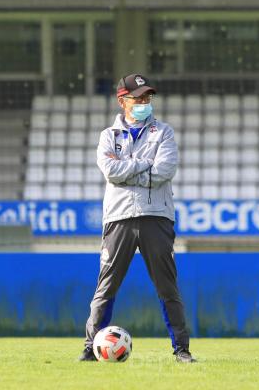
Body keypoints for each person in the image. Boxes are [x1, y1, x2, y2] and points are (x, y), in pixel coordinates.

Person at [78, 73, 195, 363]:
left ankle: (181, 350)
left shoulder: (163, 132)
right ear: (122, 101)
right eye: (138, 98)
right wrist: (144, 167)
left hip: (156, 217)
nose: (144, 102)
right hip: (118, 218)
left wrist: (128, 170)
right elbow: (110, 171)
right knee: (106, 287)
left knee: (167, 287)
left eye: (147, 97)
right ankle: (90, 348)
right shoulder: (108, 135)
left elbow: (164, 171)